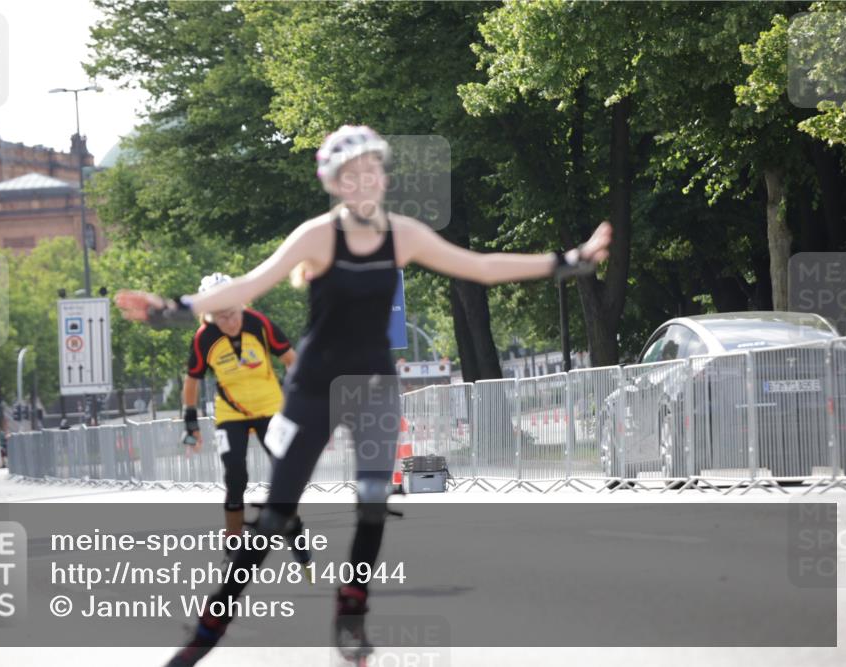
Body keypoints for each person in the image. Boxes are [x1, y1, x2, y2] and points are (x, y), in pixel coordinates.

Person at [115, 124, 611, 667]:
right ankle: (207, 632)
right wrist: (175, 308)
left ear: (383, 175)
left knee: (374, 499)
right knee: (277, 515)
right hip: (315, 388)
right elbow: (248, 286)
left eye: (371, 169)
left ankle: (350, 615)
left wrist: (568, 261)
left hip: (374, 385)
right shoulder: (317, 236)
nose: (362, 181)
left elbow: (481, 267)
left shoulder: (405, 233)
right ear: (334, 184)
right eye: (349, 175)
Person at [182, 272, 312, 571]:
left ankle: (294, 530)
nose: (230, 321)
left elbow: (292, 360)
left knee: (286, 475)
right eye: (221, 316)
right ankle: (232, 547)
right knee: (235, 477)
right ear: (209, 316)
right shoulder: (204, 338)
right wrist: (190, 422)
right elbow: (191, 381)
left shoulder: (259, 323)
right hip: (231, 415)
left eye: (234, 311)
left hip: (270, 408)